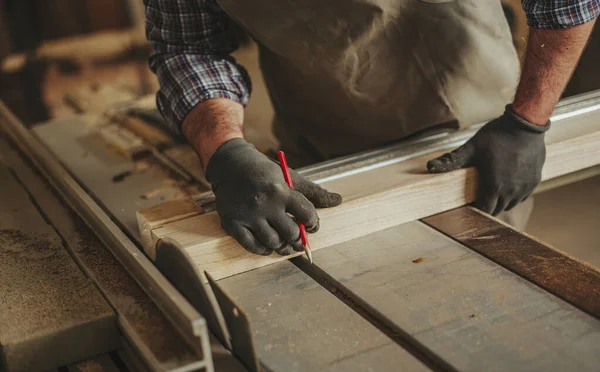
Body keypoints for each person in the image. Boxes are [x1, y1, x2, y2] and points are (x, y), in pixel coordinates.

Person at [145, 0, 599, 256]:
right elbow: (188, 44)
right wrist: (224, 148)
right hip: (321, 140)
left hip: (477, 132)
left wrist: (527, 120)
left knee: (490, 275)